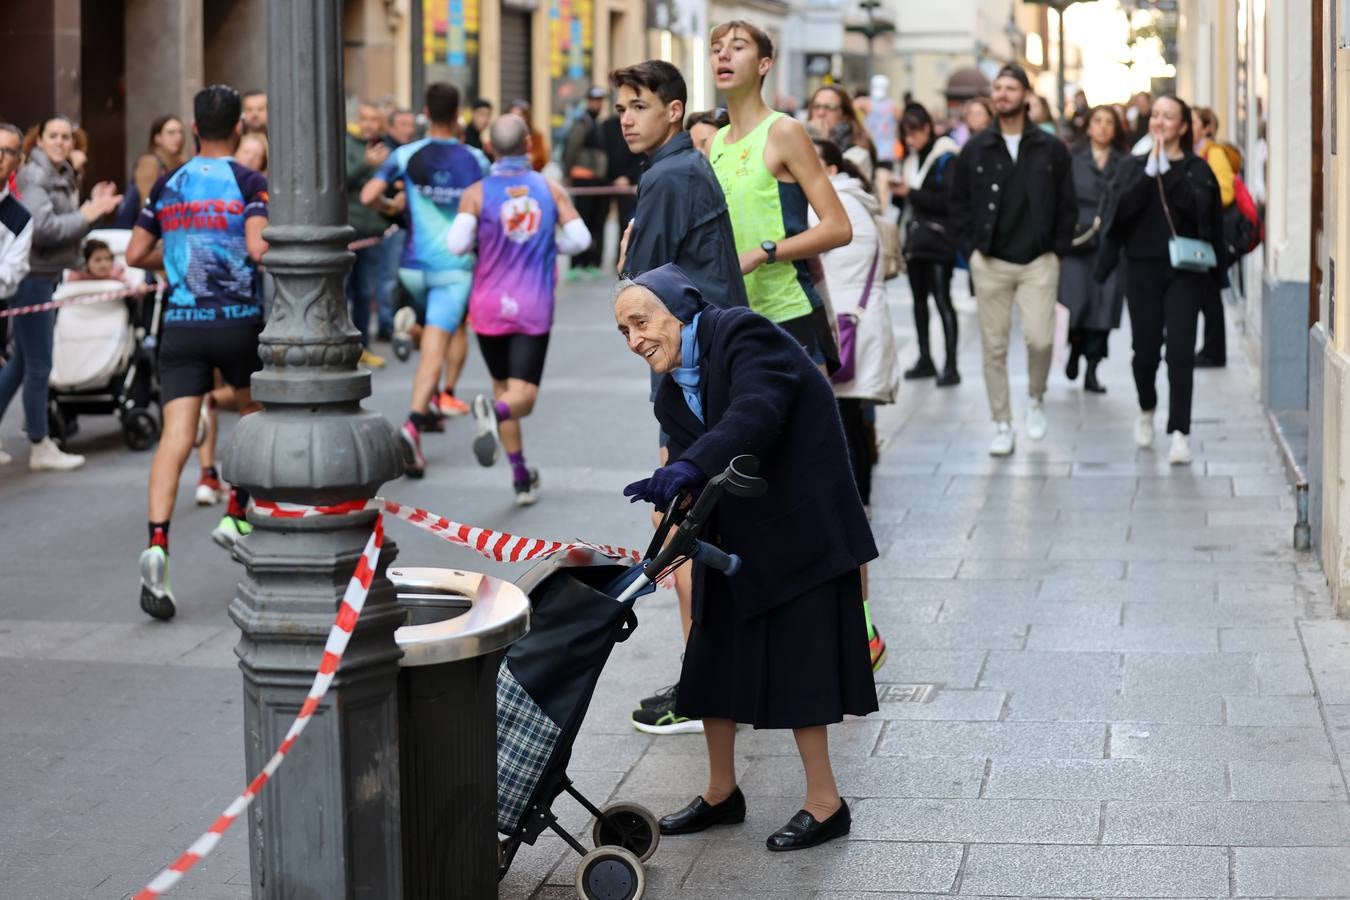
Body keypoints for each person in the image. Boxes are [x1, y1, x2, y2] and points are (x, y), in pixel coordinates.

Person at [614, 264, 877, 852]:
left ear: (680, 309)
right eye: (624, 331)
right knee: (710, 661)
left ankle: (826, 804)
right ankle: (721, 793)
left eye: (641, 322)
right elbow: (691, 463)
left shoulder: (742, 333)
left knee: (802, 667)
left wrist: (690, 466)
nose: (634, 340)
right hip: (734, 537)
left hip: (802, 529)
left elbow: (755, 411)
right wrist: (673, 498)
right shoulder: (670, 391)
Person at [610, 58, 748, 736]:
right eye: (621, 107)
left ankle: (702, 686)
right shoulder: (677, 168)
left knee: (680, 529)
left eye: (638, 105)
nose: (625, 118)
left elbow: (640, 287)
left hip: (694, 374)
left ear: (673, 110)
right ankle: (714, 676)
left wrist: (624, 267)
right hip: (705, 369)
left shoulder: (668, 176)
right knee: (690, 524)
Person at [126, 84, 269, 620]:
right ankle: (235, 511)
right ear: (238, 128)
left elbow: (136, 252)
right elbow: (257, 246)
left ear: (193, 129)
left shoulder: (170, 182)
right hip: (236, 321)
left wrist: (179, 253)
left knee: (176, 436)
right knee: (256, 413)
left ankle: (157, 543)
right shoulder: (249, 180)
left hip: (182, 325)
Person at [445, 114, 591, 504]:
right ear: (528, 144)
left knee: (504, 388)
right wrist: (550, 245)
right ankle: (493, 414)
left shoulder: (475, 193)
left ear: (489, 147)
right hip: (532, 305)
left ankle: (521, 477)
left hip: (488, 306)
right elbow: (581, 239)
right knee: (521, 397)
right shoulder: (549, 188)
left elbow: (456, 244)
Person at [360, 81, 489, 479]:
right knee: (437, 345)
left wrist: (391, 206)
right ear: (459, 113)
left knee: (432, 334)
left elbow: (368, 196)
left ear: (426, 113)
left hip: (412, 266)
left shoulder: (405, 153)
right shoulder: (476, 159)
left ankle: (409, 331)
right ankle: (414, 424)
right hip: (453, 268)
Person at [708, 20, 852, 373]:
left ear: (764, 64)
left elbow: (838, 227)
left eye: (737, 47)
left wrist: (763, 252)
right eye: (716, 49)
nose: (723, 55)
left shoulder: (783, 131)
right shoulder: (715, 142)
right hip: (733, 317)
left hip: (789, 313)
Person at [949, 64, 1076, 457]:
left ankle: (1035, 397)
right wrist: (971, 250)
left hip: (1039, 260)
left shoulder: (1050, 148)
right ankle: (1002, 422)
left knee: (1040, 339)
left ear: (1026, 95)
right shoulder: (976, 148)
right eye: (998, 88)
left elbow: (1067, 203)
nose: (1002, 94)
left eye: (1010, 88)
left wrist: (1057, 250)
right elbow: (958, 204)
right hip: (991, 260)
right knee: (994, 346)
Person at [1097, 95, 1226, 466]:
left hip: (1185, 272)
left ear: (1183, 127)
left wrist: (1167, 172)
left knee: (1181, 352)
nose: (1159, 121)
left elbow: (1199, 213)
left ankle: (1180, 432)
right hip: (1142, 269)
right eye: (1155, 115)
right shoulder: (1133, 167)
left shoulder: (1196, 169)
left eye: (1168, 117)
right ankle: (1146, 407)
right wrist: (1148, 174)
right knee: (1145, 354)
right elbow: (1119, 215)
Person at [811, 138, 900, 672]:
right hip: (857, 333)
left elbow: (824, 266)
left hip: (838, 334)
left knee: (842, 437)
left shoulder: (833, 206)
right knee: (851, 429)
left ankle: (860, 634)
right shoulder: (857, 201)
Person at [1, 115, 121, 471]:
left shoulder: (58, 174)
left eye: (66, 136)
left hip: (42, 275)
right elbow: (45, 228)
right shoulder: (35, 176)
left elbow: (52, 227)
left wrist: (91, 211)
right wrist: (87, 213)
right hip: (32, 279)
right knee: (38, 364)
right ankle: (40, 444)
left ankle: (40, 442)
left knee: (24, 362)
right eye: (53, 135)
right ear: (38, 141)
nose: (60, 142)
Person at [1060, 105, 1127, 394]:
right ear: (1087, 127)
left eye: (1109, 122)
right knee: (1076, 303)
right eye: (1097, 121)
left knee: (1104, 307)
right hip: (1077, 243)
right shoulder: (1072, 158)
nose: (1102, 127)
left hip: (1110, 244)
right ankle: (1075, 348)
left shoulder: (1124, 163)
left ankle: (1092, 368)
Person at [895, 103, 961, 386]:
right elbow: (908, 203)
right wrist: (899, 193)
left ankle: (951, 364)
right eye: (906, 135)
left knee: (942, 299)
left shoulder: (946, 156)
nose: (910, 140)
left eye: (914, 133)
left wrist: (911, 192)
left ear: (927, 129)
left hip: (939, 240)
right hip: (916, 240)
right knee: (919, 301)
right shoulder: (911, 160)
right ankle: (925, 358)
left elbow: (948, 200)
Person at [346, 101, 391, 368]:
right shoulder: (347, 143)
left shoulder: (383, 146)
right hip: (348, 231)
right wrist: (366, 163)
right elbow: (342, 180)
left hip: (371, 232)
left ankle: (363, 346)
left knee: (365, 293)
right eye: (365, 118)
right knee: (343, 293)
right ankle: (341, 346)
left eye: (374, 119)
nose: (369, 124)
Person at [0, 122, 33, 467]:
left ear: (18, 161)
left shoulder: (20, 217)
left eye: (7, 151)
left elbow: (10, 277)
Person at [1190, 106, 1232, 368]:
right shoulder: (1195, 152)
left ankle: (1214, 352)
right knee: (1205, 295)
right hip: (1199, 235)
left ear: (1206, 127)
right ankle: (1210, 349)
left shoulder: (1212, 152)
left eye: (1193, 121)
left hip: (1212, 235)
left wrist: (1201, 200)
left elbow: (1225, 191)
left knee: (1210, 295)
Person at [561, 87, 609, 277]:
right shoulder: (582, 122)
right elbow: (571, 149)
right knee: (583, 221)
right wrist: (567, 174)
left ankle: (590, 262)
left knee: (596, 222)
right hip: (583, 179)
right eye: (595, 100)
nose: (598, 104)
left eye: (600, 100)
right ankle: (576, 265)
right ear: (588, 101)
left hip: (596, 180)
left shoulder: (596, 123)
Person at [115, 115, 186, 227]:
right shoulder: (149, 162)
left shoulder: (181, 163)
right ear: (157, 138)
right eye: (171, 133)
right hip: (148, 228)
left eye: (180, 132)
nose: (178, 137)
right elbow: (147, 205)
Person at [806, 85, 877, 183]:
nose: (821, 113)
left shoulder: (859, 150)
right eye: (816, 106)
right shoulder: (801, 138)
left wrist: (823, 144)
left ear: (844, 114)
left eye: (829, 107)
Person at [508, 100, 549, 172]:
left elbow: (542, 159)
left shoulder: (536, 136)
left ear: (526, 117)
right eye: (512, 115)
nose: (515, 119)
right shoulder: (505, 136)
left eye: (519, 115)